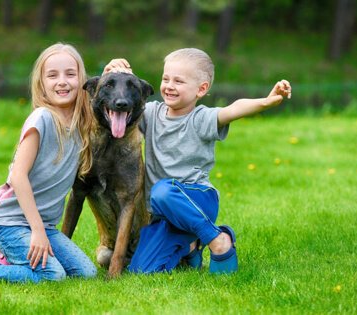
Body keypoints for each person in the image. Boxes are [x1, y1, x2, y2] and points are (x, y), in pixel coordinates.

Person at [103, 48, 291, 274]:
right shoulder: (150, 113)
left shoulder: (201, 118)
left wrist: (267, 102)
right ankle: (190, 247)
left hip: (198, 199)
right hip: (164, 214)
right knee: (141, 270)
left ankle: (218, 238)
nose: (169, 85)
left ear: (201, 89)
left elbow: (234, 109)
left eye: (179, 81)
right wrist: (110, 74)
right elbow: (119, 101)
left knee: (162, 191)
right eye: (166, 79)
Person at [0, 43, 98, 283]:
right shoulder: (42, 119)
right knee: (52, 275)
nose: (62, 81)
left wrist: (116, 67)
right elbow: (18, 176)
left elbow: (109, 92)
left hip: (43, 226)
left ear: (82, 79)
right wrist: (36, 231)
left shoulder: (82, 124)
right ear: (41, 84)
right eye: (52, 75)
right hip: (8, 221)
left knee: (86, 273)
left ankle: (14, 256)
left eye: (70, 73)